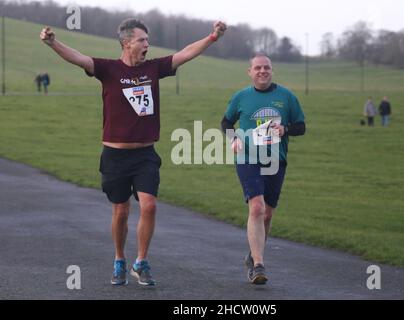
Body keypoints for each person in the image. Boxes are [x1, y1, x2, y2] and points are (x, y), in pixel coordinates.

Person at [40, 18, 227, 286]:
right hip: (115, 156)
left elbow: (185, 54)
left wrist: (212, 38)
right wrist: (52, 42)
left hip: (145, 155)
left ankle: (141, 261)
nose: (147, 45)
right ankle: (119, 259)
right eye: (142, 40)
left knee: (149, 205)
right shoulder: (108, 69)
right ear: (127, 43)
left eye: (148, 41)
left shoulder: (154, 68)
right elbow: (79, 59)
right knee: (121, 211)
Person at [221, 54, 306, 285]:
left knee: (267, 214)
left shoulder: (286, 96)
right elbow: (226, 122)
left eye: (266, 67)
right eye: (257, 68)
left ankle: (253, 254)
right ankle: (258, 265)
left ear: (272, 70)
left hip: (275, 160)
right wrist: (233, 139)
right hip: (248, 157)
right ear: (250, 72)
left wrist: (285, 129)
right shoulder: (241, 97)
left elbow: (301, 127)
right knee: (256, 207)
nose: (262, 71)